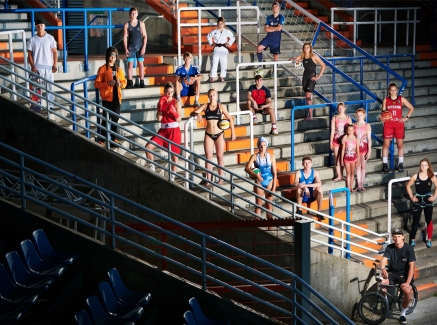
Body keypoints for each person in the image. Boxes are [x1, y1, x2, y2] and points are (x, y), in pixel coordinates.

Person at [190, 88, 236, 186]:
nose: (212, 97)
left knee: (220, 157)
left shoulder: (221, 107)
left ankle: (220, 179)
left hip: (219, 134)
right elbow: (192, 113)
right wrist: (197, 114)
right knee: (208, 158)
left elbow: (230, 119)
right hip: (209, 134)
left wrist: (233, 132)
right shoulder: (205, 106)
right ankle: (209, 179)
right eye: (210, 95)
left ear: (217, 96)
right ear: (208, 96)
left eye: (213, 95)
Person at [144, 82, 182, 182]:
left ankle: (172, 177)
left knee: (174, 156)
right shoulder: (161, 102)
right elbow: (159, 118)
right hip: (163, 130)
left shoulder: (176, 102)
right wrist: (160, 106)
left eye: (171, 92)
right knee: (148, 147)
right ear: (164, 92)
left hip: (174, 130)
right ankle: (152, 167)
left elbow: (179, 119)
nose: (169, 94)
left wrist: (173, 112)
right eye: (168, 92)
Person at [380, 228, 416, 325]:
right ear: (392, 238)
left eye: (399, 236)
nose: (397, 239)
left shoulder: (409, 248)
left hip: (405, 275)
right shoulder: (390, 247)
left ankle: (402, 314)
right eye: (395, 237)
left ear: (403, 237)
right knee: (381, 283)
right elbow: (383, 259)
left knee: (407, 290)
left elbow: (412, 267)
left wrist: (407, 283)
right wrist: (383, 269)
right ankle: (387, 304)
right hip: (393, 273)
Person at [94, 47, 127, 144]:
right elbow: (97, 84)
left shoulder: (118, 69)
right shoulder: (102, 69)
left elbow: (124, 82)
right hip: (107, 98)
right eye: (111, 55)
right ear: (107, 56)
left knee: (115, 118)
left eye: (114, 56)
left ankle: (113, 138)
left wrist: (120, 84)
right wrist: (108, 83)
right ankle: (102, 138)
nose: (113, 58)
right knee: (106, 118)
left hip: (117, 97)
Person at [381, 82, 414, 173]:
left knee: (400, 145)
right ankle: (385, 165)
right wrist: (383, 117)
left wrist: (406, 118)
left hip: (399, 125)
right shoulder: (386, 100)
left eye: (395, 90)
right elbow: (383, 112)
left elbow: (411, 108)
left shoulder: (401, 99)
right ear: (389, 91)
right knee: (386, 145)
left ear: (397, 90)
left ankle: (400, 164)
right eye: (392, 90)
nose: (393, 92)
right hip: (388, 125)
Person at [26, 19, 58, 109]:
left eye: (41, 25)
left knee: (49, 87)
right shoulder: (32, 39)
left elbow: (55, 52)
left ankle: (50, 106)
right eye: (38, 25)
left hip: (48, 66)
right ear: (36, 27)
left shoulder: (50, 38)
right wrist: (32, 66)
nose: (40, 27)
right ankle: (37, 105)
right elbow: (29, 54)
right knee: (37, 88)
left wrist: (55, 65)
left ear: (44, 26)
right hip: (37, 67)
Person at [406, 158, 437, 248]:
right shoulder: (416, 176)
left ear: (428, 166)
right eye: (422, 165)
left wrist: (434, 196)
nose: (423, 167)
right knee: (415, 221)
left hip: (428, 200)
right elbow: (408, 185)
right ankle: (412, 239)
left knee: (428, 220)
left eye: (425, 165)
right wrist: (412, 196)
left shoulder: (432, 176)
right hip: (418, 199)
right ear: (420, 166)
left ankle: (429, 240)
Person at [289, 42, 326, 120]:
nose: (306, 49)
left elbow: (323, 65)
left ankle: (310, 116)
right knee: (307, 96)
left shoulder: (314, 56)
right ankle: (309, 114)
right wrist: (295, 59)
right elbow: (291, 59)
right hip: (305, 77)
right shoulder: (302, 56)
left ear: (310, 48)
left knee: (308, 96)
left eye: (308, 47)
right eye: (305, 48)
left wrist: (318, 76)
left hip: (312, 77)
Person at [245, 137, 277, 220]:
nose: (262, 148)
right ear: (258, 146)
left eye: (264, 145)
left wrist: (274, 188)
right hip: (259, 181)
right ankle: (257, 227)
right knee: (258, 205)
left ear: (267, 146)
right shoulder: (254, 156)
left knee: (269, 205)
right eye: (261, 146)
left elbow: (275, 173)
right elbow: (247, 168)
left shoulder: (272, 157)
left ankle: (270, 227)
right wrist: (256, 176)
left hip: (270, 181)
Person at [123, 7, 147, 89]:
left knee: (141, 65)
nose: (134, 15)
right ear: (130, 14)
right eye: (132, 13)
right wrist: (126, 48)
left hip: (139, 47)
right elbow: (125, 38)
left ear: (137, 14)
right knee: (130, 65)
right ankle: (130, 82)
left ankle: (142, 81)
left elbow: (145, 36)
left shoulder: (141, 24)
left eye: (135, 13)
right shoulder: (127, 25)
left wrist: (144, 47)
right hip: (131, 47)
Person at [294, 156, 324, 221]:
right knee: (299, 189)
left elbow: (319, 184)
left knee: (320, 189)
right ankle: (299, 210)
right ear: (302, 164)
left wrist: (306, 185)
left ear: (311, 163)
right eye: (305, 163)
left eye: (309, 163)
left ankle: (319, 211)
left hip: (312, 195)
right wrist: (304, 187)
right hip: (303, 195)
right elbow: (295, 183)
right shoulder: (299, 172)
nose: (307, 165)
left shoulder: (315, 172)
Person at [256, 2, 284, 68]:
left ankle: (275, 71)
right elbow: (266, 29)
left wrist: (270, 27)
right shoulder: (269, 17)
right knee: (259, 48)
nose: (274, 8)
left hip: (276, 39)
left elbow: (279, 28)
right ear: (272, 8)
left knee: (275, 56)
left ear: (279, 8)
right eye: (273, 7)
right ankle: (260, 64)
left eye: (276, 7)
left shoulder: (281, 17)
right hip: (268, 38)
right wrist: (275, 28)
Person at [207, 17, 235, 83]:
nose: (220, 25)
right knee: (214, 63)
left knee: (224, 63)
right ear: (217, 24)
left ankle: (222, 76)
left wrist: (229, 43)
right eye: (219, 23)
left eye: (221, 23)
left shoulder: (227, 32)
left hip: (224, 49)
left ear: (224, 24)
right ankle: (212, 76)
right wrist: (211, 43)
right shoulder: (214, 31)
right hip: (216, 48)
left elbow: (232, 37)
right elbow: (208, 36)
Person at [329, 102, 352, 182]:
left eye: (341, 107)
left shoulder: (348, 118)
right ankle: (339, 175)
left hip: (344, 140)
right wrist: (331, 142)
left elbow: (351, 131)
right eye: (339, 108)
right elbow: (332, 131)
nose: (340, 109)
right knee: (337, 157)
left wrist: (348, 139)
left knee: (343, 157)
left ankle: (341, 174)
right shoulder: (334, 118)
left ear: (344, 108)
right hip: (336, 139)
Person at [354, 108, 372, 191]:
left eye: (360, 115)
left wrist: (369, 151)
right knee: (357, 166)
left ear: (364, 115)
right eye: (358, 115)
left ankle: (361, 183)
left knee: (363, 166)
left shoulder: (367, 125)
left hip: (364, 146)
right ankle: (358, 185)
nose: (359, 117)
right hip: (356, 147)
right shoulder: (354, 125)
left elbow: (369, 139)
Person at [341, 124, 360, 192]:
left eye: (352, 130)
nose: (350, 131)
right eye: (349, 130)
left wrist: (359, 159)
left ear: (354, 130)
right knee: (348, 173)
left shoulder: (356, 138)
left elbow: (358, 150)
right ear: (347, 131)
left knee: (352, 172)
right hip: (346, 158)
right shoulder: (345, 138)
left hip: (353, 158)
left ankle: (351, 187)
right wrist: (341, 160)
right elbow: (343, 149)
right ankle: (348, 187)